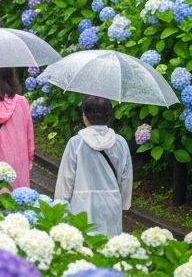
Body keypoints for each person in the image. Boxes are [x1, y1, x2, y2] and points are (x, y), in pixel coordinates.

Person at [54, 96, 133, 236]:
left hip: (83, 204)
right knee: (109, 247)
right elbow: (126, 177)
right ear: (109, 116)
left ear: (85, 116)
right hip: (111, 203)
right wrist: (124, 203)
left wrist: (60, 205)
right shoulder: (120, 143)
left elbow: (66, 178)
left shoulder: (76, 143)